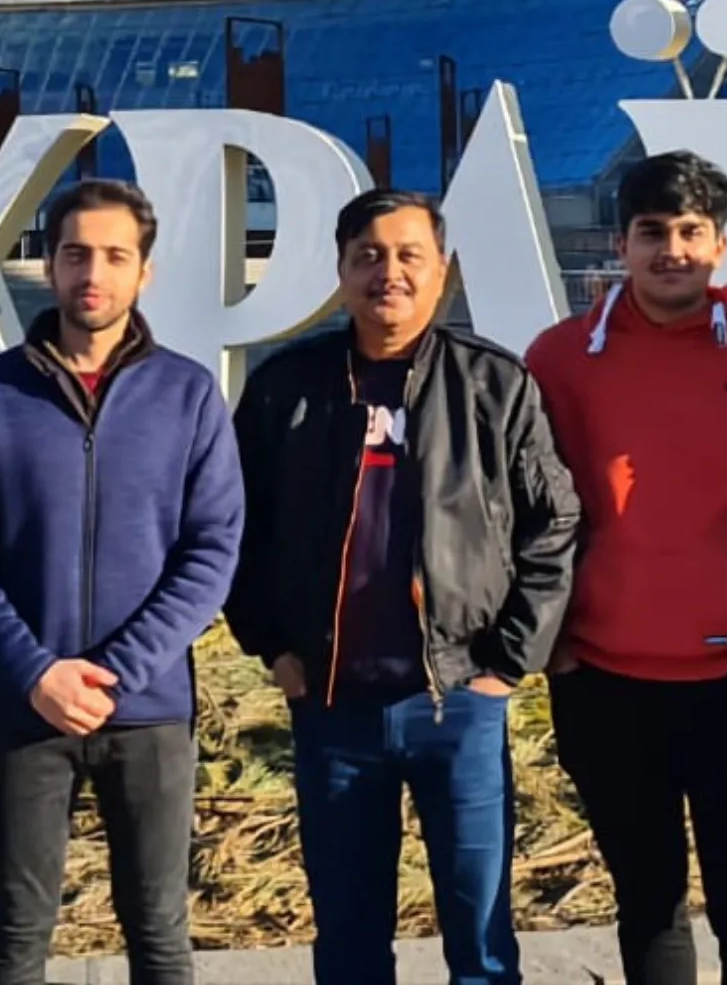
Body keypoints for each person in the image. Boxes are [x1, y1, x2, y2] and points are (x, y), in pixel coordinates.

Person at [224, 188, 583, 985]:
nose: (388, 272)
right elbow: (233, 529)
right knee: (349, 943)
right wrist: (272, 646)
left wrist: (509, 661)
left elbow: (553, 523)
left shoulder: (494, 384)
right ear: (343, 271)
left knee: (482, 944)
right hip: (331, 708)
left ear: (442, 270)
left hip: (457, 705)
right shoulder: (289, 387)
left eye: (408, 255)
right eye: (369, 256)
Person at [0, 179, 245, 985]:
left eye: (113, 256)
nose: (92, 273)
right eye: (75, 254)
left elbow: (212, 549)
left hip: (149, 712)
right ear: (49, 265)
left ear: (144, 273)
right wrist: (34, 671)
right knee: (18, 936)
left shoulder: (187, 394)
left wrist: (118, 671)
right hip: (22, 707)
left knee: (160, 934)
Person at [523, 151, 727, 985]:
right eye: (652, 231)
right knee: (649, 909)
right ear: (620, 244)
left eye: (691, 231)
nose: (672, 250)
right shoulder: (556, 360)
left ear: (721, 245)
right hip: (602, 686)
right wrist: (553, 646)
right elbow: (519, 512)